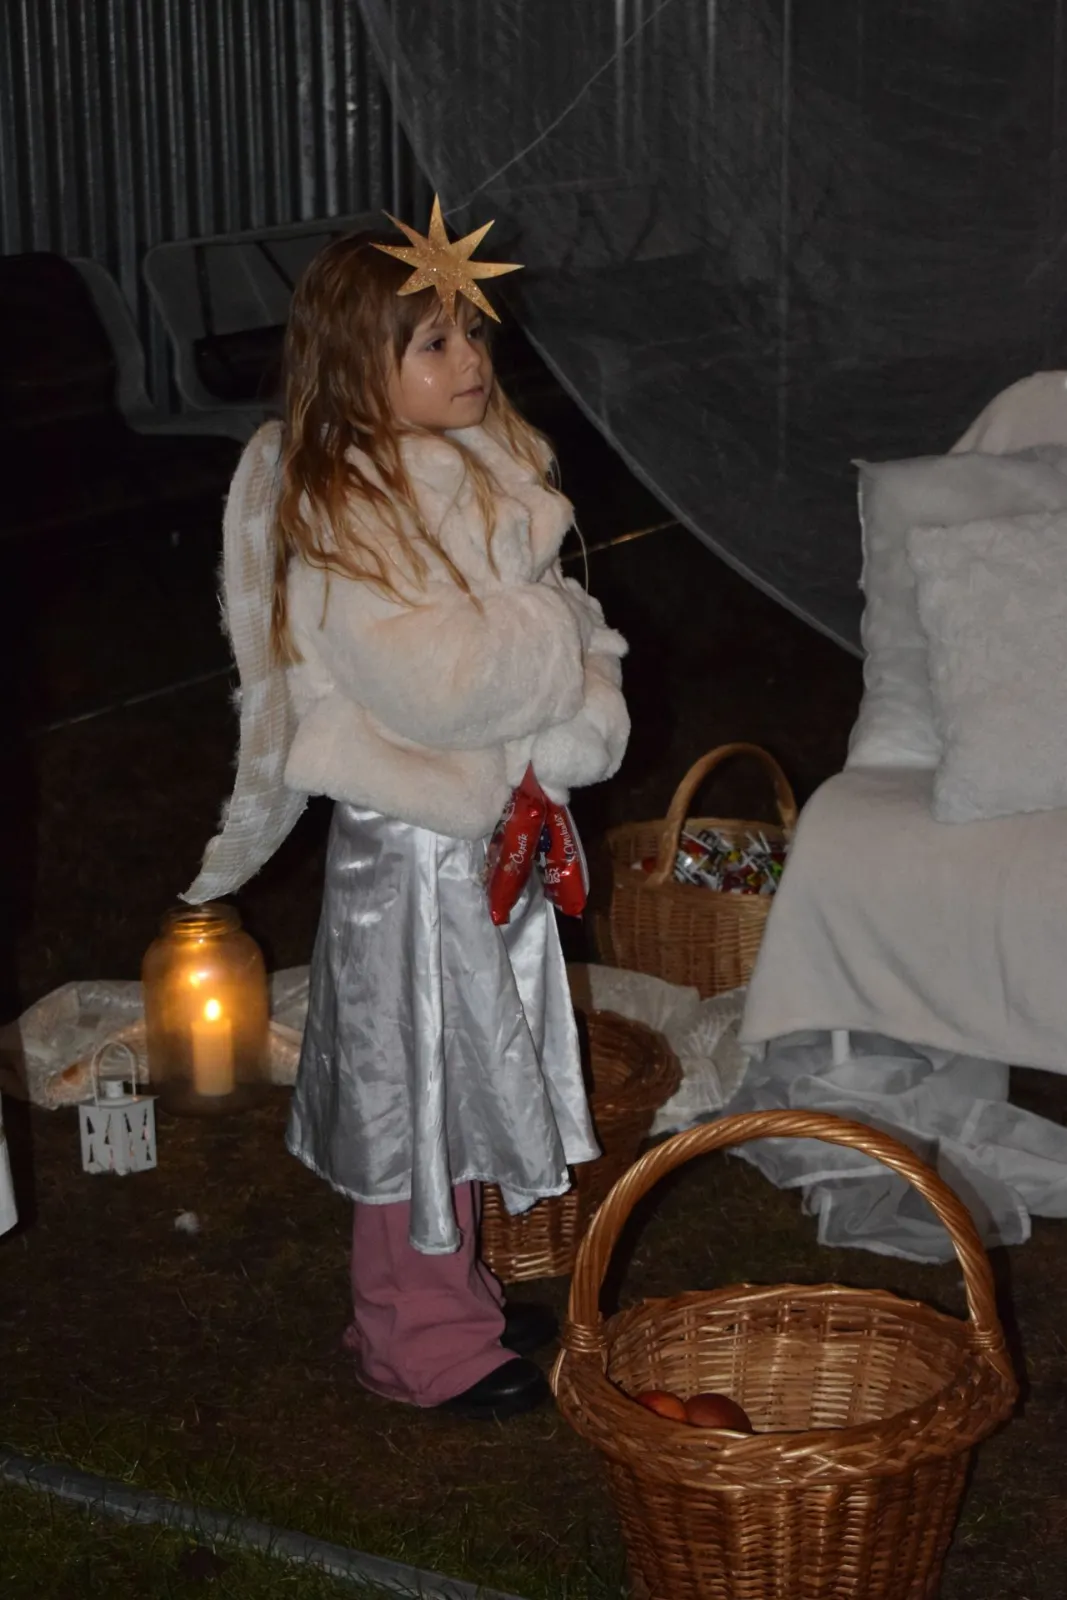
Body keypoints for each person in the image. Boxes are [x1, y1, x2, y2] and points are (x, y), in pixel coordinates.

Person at [184, 201, 629, 1419]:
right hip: (418, 849)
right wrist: (552, 640)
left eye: (469, 333)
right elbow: (440, 681)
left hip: (485, 839)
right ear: (355, 365)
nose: (468, 361)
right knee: (412, 1086)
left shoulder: (477, 465)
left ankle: (451, 1294)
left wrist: (566, 700)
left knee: (468, 1067)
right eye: (431, 343)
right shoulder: (344, 507)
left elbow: (568, 634)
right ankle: (411, 1335)